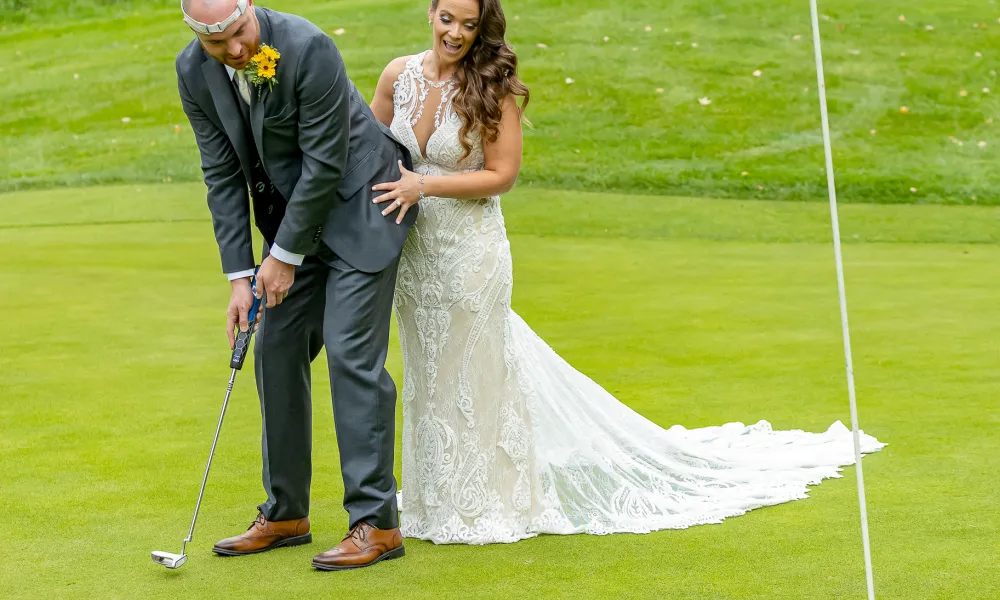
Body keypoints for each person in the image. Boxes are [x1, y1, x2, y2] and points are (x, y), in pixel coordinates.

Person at [368, 0, 886, 545]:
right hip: (416, 255)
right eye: (448, 18)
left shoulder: (491, 88)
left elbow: (502, 175)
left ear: (483, 29)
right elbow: (373, 151)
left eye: (470, 25)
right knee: (429, 372)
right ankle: (433, 500)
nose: (456, 32)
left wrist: (423, 185)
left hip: (472, 252)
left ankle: (486, 503)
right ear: (430, 12)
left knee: (474, 371)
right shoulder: (397, 75)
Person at [175, 0, 412, 569]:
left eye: (240, 33)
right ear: (196, 38)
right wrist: (240, 275)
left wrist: (282, 257)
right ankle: (285, 512)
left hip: (361, 208)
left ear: (250, 8)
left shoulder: (307, 47)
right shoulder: (192, 72)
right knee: (275, 349)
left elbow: (325, 162)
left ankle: (376, 524)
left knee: (351, 358)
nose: (236, 50)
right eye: (219, 44)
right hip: (292, 227)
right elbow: (223, 171)